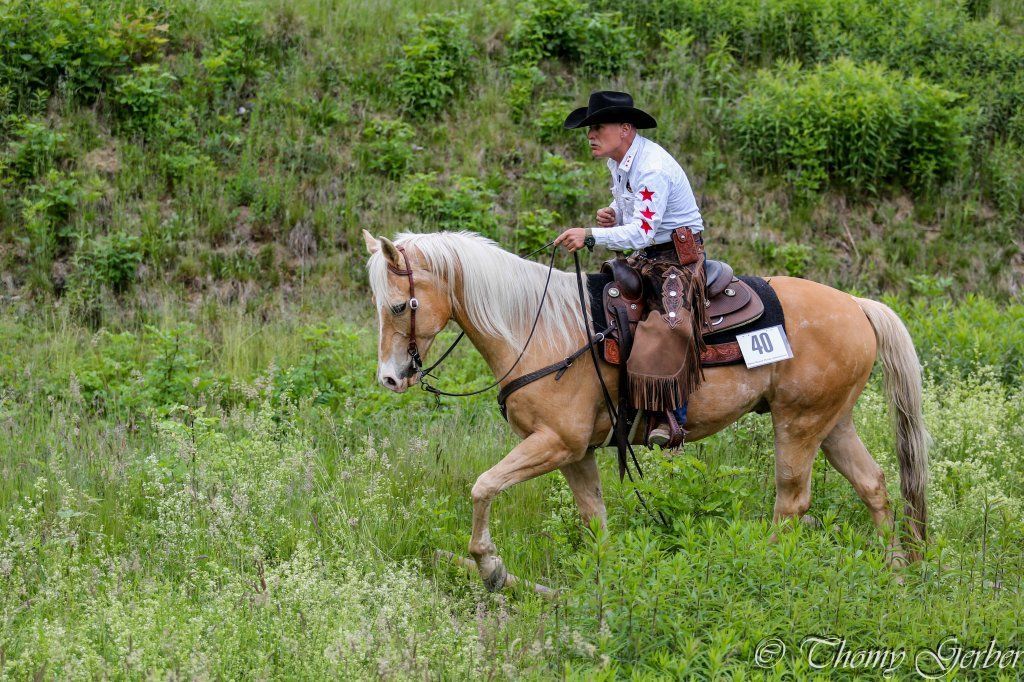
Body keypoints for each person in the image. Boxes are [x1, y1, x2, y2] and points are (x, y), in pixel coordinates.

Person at [554, 91, 706, 448]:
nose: (590, 135)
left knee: (666, 324)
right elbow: (637, 216)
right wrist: (613, 213)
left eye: (598, 127)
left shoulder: (651, 167)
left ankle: (671, 417)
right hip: (649, 255)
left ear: (625, 128)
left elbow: (643, 230)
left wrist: (591, 234)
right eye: (589, 129)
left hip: (676, 259)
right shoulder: (620, 163)